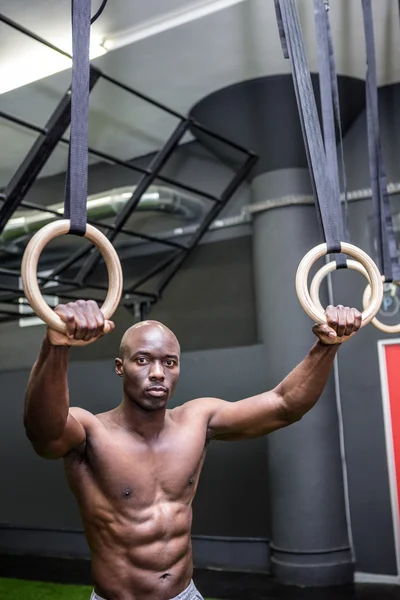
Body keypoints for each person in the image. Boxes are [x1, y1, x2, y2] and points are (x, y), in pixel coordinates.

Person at [24, 299, 361, 600]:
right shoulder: (89, 431)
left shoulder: (197, 421)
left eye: (169, 363)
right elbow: (44, 435)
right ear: (119, 367)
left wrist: (327, 345)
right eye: (143, 360)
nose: (158, 373)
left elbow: (285, 404)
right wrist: (56, 345)